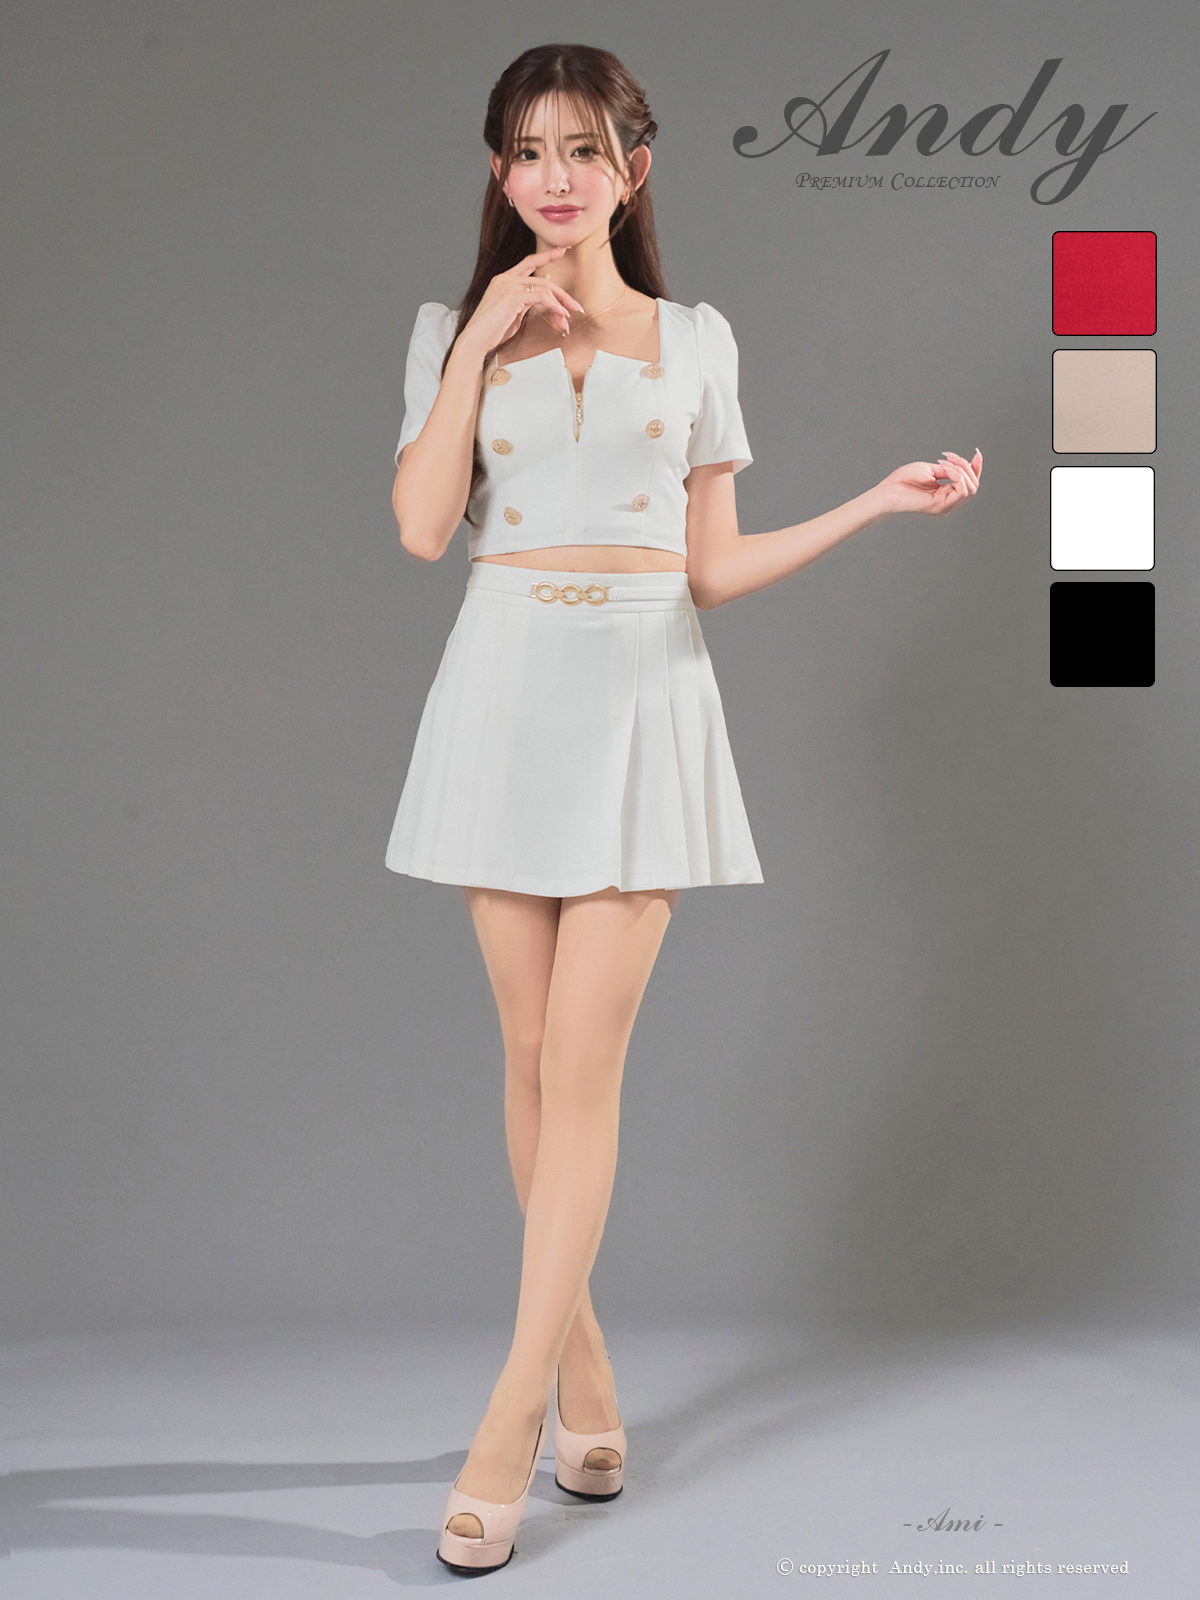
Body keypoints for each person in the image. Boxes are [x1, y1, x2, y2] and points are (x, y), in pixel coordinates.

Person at [387, 43, 982, 1577]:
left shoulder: (700, 340)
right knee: (527, 1054)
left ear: (632, 170)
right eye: (530, 151)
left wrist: (876, 502)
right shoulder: (454, 333)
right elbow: (422, 528)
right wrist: (479, 343)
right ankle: (584, 1376)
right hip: (502, 689)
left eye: (584, 149)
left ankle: (508, 1419)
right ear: (500, 172)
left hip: (643, 700)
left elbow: (709, 569)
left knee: (584, 1069)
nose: (556, 177)